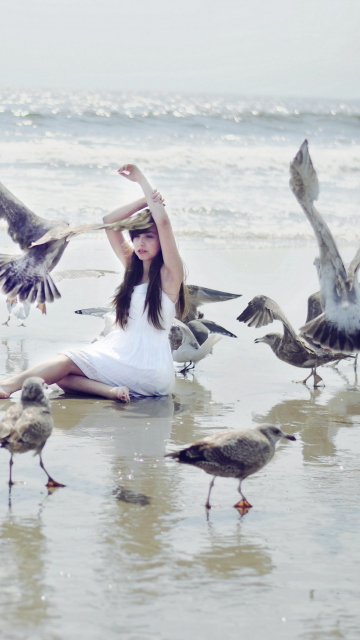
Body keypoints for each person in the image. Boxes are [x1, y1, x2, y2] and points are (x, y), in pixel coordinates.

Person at [0, 165, 186, 402]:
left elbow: (164, 224)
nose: (140, 243)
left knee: (64, 362)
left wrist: (142, 181)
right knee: (58, 374)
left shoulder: (170, 275)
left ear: (161, 242)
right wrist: (143, 201)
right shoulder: (132, 268)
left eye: (148, 236)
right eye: (136, 236)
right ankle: (111, 391)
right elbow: (109, 221)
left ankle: (7, 385)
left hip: (146, 365)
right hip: (122, 354)